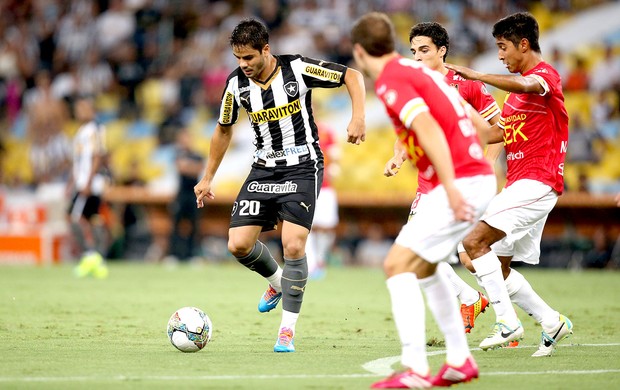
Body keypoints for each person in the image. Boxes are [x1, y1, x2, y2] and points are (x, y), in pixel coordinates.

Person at [193, 18, 366, 353]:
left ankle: (287, 330)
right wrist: (208, 176)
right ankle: (277, 283)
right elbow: (223, 129)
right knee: (238, 245)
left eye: (248, 58)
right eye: (237, 59)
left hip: (303, 167)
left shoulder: (297, 69)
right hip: (263, 170)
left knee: (294, 247)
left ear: (266, 50)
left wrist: (358, 117)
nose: (242, 65)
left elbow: (352, 75)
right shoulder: (235, 86)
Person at [350, 12, 496, 388]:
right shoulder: (423, 73)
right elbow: (472, 119)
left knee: (396, 264)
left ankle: (415, 369)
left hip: (458, 182)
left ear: (358, 52)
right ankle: (460, 360)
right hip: (471, 176)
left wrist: (449, 185)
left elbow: (427, 128)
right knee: (427, 268)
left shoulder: (392, 81)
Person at [445, 12, 573, 356]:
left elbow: (530, 85)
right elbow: (496, 133)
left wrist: (476, 75)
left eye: (503, 48)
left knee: (473, 242)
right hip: (520, 185)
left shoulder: (544, 76)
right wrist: (455, 108)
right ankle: (551, 321)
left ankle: (507, 322)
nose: (500, 55)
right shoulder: (514, 99)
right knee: (490, 266)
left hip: (537, 183)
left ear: (524, 44)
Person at [408, 21, 503, 335]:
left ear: (442, 50)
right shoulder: (415, 85)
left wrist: (486, 168)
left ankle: (507, 317)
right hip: (433, 180)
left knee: (471, 256)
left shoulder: (466, 82)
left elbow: (498, 131)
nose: (418, 57)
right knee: (431, 252)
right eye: (413, 51)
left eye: (424, 50)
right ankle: (487, 307)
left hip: (467, 178)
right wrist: (398, 154)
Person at [66, 96, 109, 278]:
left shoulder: (95, 129)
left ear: (91, 110)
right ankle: (96, 258)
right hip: (82, 181)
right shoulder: (82, 130)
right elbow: (78, 161)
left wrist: (89, 181)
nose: (79, 111)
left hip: (89, 183)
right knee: (92, 218)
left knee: (75, 217)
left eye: (82, 108)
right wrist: (71, 182)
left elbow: (98, 155)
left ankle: (90, 255)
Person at [305, 121, 340, 279]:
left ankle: (320, 259)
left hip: (325, 187)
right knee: (305, 225)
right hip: (305, 185)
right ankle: (310, 263)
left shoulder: (327, 131)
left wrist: (334, 168)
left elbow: (335, 154)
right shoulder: (297, 128)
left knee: (326, 226)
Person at [165, 129, 205, 263]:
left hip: (194, 194)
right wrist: (190, 167)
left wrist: (187, 166)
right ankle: (174, 255)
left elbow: (197, 170)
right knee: (176, 224)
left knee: (195, 224)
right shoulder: (177, 154)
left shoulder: (197, 155)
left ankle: (192, 255)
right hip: (181, 194)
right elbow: (181, 168)